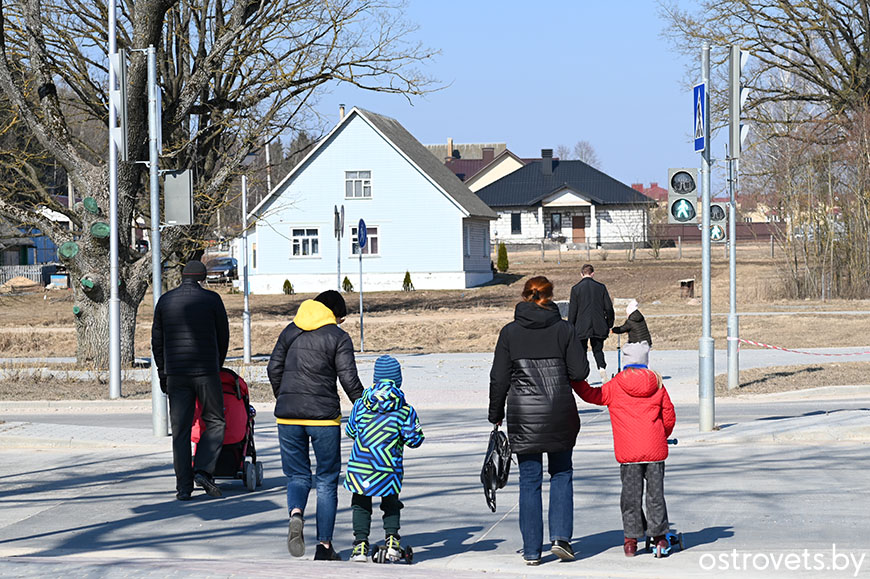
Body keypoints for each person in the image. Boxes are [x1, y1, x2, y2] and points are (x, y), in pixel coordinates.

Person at [489, 276, 590, 565]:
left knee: (529, 480)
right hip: (560, 412)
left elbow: (499, 378)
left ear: (524, 296)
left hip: (524, 416)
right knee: (561, 473)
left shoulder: (509, 333)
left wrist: (495, 414)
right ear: (551, 297)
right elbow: (580, 372)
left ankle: (532, 550)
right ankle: (561, 539)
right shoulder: (564, 329)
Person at [267, 290, 364, 561]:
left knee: (297, 476)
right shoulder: (337, 337)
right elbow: (349, 379)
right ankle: (324, 547)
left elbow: (273, 368)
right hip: (323, 418)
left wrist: (285, 396)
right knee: (326, 480)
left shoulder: (290, 330)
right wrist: (365, 407)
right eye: (341, 318)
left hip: (288, 417)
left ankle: (296, 513)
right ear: (334, 314)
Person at [570, 342, 676, 557]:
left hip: (628, 452)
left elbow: (593, 396)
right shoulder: (657, 384)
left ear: (626, 361)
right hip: (655, 450)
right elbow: (669, 416)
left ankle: (631, 541)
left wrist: (574, 380)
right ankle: (659, 538)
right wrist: (660, 436)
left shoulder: (615, 385)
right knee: (655, 495)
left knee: (630, 496)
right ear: (645, 361)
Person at [151, 259, 230, 501]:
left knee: (181, 431)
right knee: (215, 421)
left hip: (176, 374)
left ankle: (183, 488)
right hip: (206, 371)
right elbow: (223, 335)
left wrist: (163, 372)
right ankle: (203, 470)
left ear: (183, 277)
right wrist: (217, 365)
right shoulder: (212, 299)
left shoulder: (165, 300)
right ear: (202, 278)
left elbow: (157, 341)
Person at [343, 355, 424, 563]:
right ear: (398, 380)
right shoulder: (405, 409)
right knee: (391, 502)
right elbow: (414, 439)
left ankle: (360, 546)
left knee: (360, 503)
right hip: (388, 466)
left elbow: (351, 431)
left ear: (375, 379)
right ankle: (392, 542)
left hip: (361, 465)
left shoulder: (361, 405)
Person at [568, 263, 615, 384]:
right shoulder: (601, 287)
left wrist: (570, 326)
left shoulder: (575, 289)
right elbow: (608, 308)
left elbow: (573, 311)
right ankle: (602, 370)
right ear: (593, 274)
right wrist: (609, 323)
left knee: (582, 351)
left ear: (581, 274)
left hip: (581, 326)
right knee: (598, 350)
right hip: (599, 324)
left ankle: (584, 376)